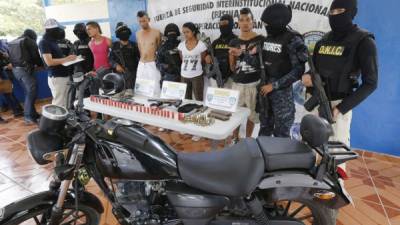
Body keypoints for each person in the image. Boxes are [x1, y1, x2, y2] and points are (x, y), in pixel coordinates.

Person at [302, 0, 378, 147]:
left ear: (352, 12)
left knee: (335, 156)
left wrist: (340, 109)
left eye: (339, 11)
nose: (334, 16)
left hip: (337, 107)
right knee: (308, 152)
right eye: (331, 12)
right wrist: (307, 76)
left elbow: (371, 83)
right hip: (315, 99)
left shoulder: (364, 41)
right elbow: (314, 69)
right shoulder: (324, 40)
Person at [258, 3, 308, 137]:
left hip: (282, 96)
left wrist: (274, 86)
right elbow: (261, 64)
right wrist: (243, 55)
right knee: (264, 131)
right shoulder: (268, 38)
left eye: (267, 24)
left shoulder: (293, 39)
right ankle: (262, 157)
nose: (265, 27)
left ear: (277, 22)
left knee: (282, 136)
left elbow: (299, 70)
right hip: (265, 93)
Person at [229, 8, 264, 137]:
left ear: (253, 22)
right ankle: (234, 138)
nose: (245, 23)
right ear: (238, 23)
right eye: (242, 20)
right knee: (235, 115)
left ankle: (248, 139)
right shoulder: (233, 41)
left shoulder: (261, 40)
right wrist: (232, 57)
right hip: (237, 84)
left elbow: (263, 65)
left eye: (248, 20)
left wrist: (243, 54)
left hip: (254, 84)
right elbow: (232, 68)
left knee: (252, 115)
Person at [39, 18, 77, 108]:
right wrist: (67, 59)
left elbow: (57, 58)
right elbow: (49, 62)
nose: (62, 32)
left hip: (63, 75)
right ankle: (57, 122)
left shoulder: (53, 42)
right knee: (59, 103)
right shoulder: (44, 42)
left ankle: (66, 120)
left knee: (66, 101)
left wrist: (68, 59)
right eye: (60, 29)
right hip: (57, 76)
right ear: (53, 30)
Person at [8, 29, 43, 124]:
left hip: (16, 70)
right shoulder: (29, 41)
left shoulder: (14, 41)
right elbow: (36, 57)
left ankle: (33, 114)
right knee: (31, 92)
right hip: (26, 70)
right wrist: (42, 64)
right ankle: (28, 117)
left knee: (28, 92)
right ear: (33, 36)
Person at [178, 22, 209, 101]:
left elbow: (202, 60)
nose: (185, 34)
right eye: (184, 32)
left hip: (197, 76)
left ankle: (199, 113)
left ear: (193, 32)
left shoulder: (201, 45)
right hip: (184, 75)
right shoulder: (181, 45)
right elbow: (182, 59)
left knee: (199, 99)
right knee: (186, 99)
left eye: (187, 32)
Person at [135, 11, 162, 97]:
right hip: (141, 64)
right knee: (141, 90)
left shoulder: (156, 32)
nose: (142, 23)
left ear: (148, 20)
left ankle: (156, 109)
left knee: (155, 90)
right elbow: (140, 49)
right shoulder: (138, 34)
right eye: (140, 21)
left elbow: (159, 48)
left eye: (144, 21)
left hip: (152, 63)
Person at [110, 22, 140, 94]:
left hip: (133, 76)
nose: (124, 33)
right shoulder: (115, 45)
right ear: (118, 34)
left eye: (125, 31)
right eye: (121, 31)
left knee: (132, 96)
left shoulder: (134, 45)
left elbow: (141, 59)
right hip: (119, 77)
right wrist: (116, 65)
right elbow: (110, 59)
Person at [208, 14, 237, 88]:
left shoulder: (236, 40)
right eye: (221, 24)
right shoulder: (215, 42)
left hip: (230, 78)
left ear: (231, 24)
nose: (222, 26)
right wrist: (207, 57)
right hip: (216, 77)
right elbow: (209, 54)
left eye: (225, 23)